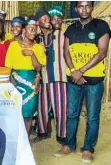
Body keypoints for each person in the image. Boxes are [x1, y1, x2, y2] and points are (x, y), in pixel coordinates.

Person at [55, 1, 111, 163]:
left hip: (94, 81)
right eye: (81, 6)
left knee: (92, 116)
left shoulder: (101, 26)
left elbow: (102, 53)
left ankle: (88, 149)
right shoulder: (71, 29)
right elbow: (66, 52)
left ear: (92, 7)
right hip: (74, 80)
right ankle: (69, 145)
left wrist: (81, 71)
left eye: (87, 5)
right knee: (72, 114)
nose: (84, 9)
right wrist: (74, 71)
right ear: (76, 8)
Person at [5, 17, 46, 137]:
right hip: (16, 82)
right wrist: (11, 82)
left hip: (31, 83)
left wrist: (31, 54)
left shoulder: (38, 48)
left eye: (35, 30)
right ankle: (14, 140)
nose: (33, 32)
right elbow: (8, 67)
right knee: (15, 112)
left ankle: (25, 142)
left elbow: (39, 68)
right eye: (30, 29)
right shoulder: (13, 46)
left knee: (28, 115)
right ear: (24, 31)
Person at [35, 7, 67, 145]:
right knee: (42, 108)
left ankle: (62, 136)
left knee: (60, 109)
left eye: (48, 18)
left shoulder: (63, 35)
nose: (48, 21)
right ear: (38, 23)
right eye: (44, 19)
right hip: (43, 78)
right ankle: (42, 133)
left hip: (59, 77)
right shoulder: (37, 39)